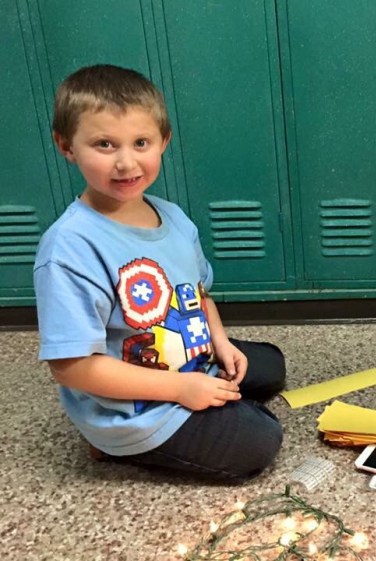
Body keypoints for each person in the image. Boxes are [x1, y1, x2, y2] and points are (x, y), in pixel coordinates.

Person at [34, 64, 285, 480]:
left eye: (141, 142)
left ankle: (209, 384)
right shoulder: (69, 248)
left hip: (185, 357)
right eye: (104, 144)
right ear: (66, 146)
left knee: (271, 365)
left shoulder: (172, 217)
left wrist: (220, 341)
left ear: (163, 141)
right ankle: (109, 444)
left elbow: (199, 293)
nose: (126, 162)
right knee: (260, 440)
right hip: (132, 403)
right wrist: (181, 390)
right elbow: (71, 367)